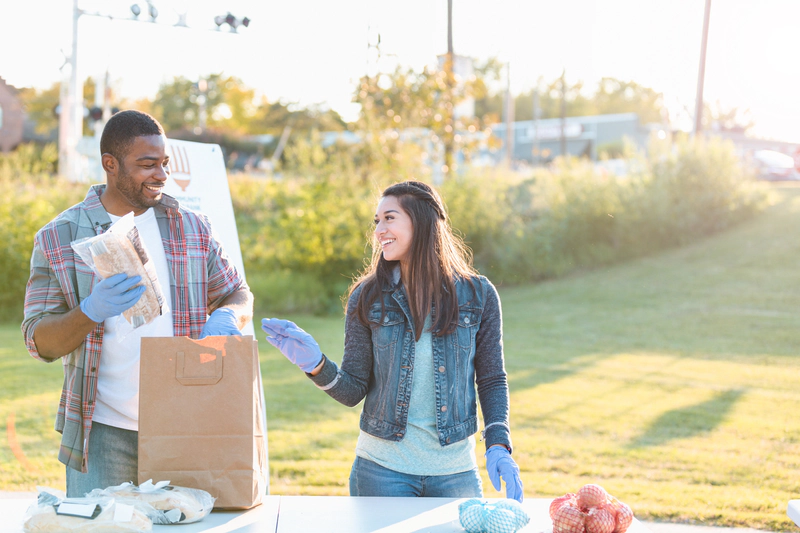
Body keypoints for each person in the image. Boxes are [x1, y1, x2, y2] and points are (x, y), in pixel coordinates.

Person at [21, 110, 253, 497]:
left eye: (164, 163)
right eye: (148, 165)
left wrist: (228, 316)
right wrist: (89, 312)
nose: (161, 174)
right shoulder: (58, 237)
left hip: (188, 422)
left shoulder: (191, 227)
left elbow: (238, 292)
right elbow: (38, 341)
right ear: (110, 165)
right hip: (103, 434)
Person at [261, 180, 523, 501]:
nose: (379, 229)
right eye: (377, 221)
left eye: (389, 217)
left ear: (422, 221)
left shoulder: (477, 295)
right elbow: (353, 389)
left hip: (455, 473)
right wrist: (316, 366)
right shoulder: (368, 296)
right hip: (381, 472)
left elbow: (492, 378)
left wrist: (498, 442)